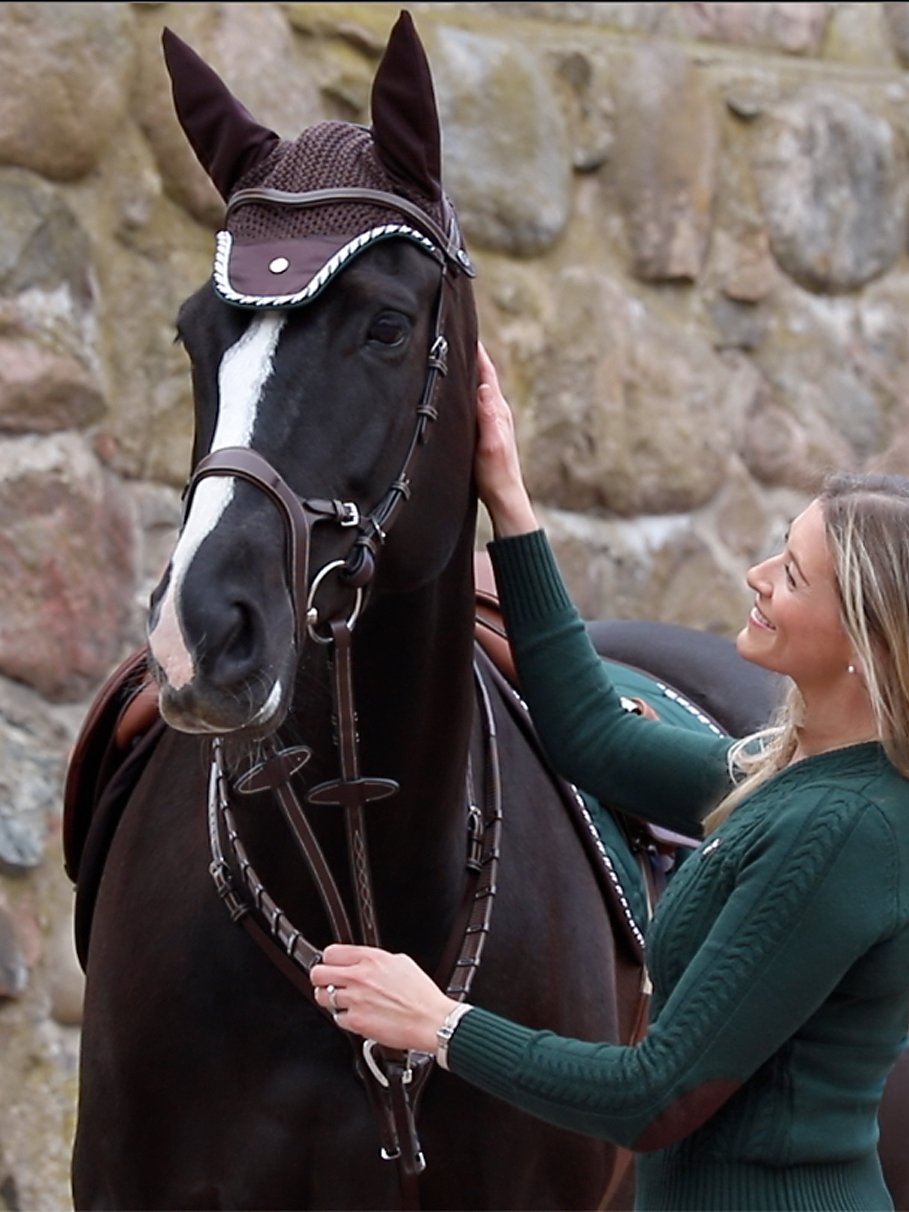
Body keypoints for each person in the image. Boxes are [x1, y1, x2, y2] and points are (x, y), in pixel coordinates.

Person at [311, 342, 909, 1211]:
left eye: (791, 575)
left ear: (866, 644)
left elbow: (653, 1096)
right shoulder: (794, 777)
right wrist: (506, 494)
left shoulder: (843, 828)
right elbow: (593, 736)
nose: (757, 578)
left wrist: (436, 1021)